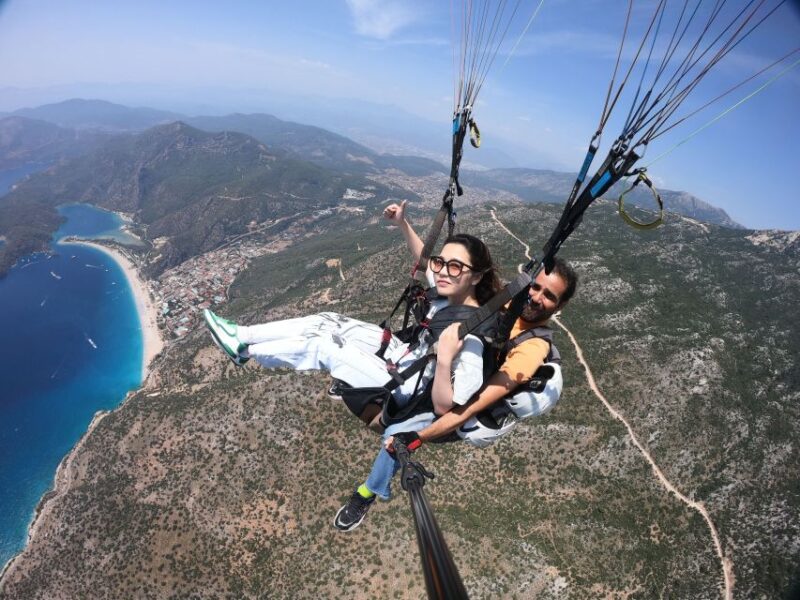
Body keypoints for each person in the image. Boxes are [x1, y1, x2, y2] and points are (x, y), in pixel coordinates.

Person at [202, 200, 502, 530]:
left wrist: (445, 359)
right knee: (327, 320)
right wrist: (403, 224)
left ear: (476, 277)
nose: (443, 271)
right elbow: (423, 260)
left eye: (455, 267)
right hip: (403, 355)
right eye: (442, 262)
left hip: (409, 387)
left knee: (325, 347)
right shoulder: (449, 292)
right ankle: (242, 337)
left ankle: (247, 350)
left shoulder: (472, 340)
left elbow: (446, 407)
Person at [387, 256, 578, 457]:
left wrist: (419, 437)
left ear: (560, 305)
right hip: (441, 367)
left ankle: (372, 487)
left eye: (549, 296)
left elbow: (474, 405)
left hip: (453, 405)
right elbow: (437, 270)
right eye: (535, 287)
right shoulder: (509, 300)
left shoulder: (532, 348)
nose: (537, 298)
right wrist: (403, 224)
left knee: (390, 430)